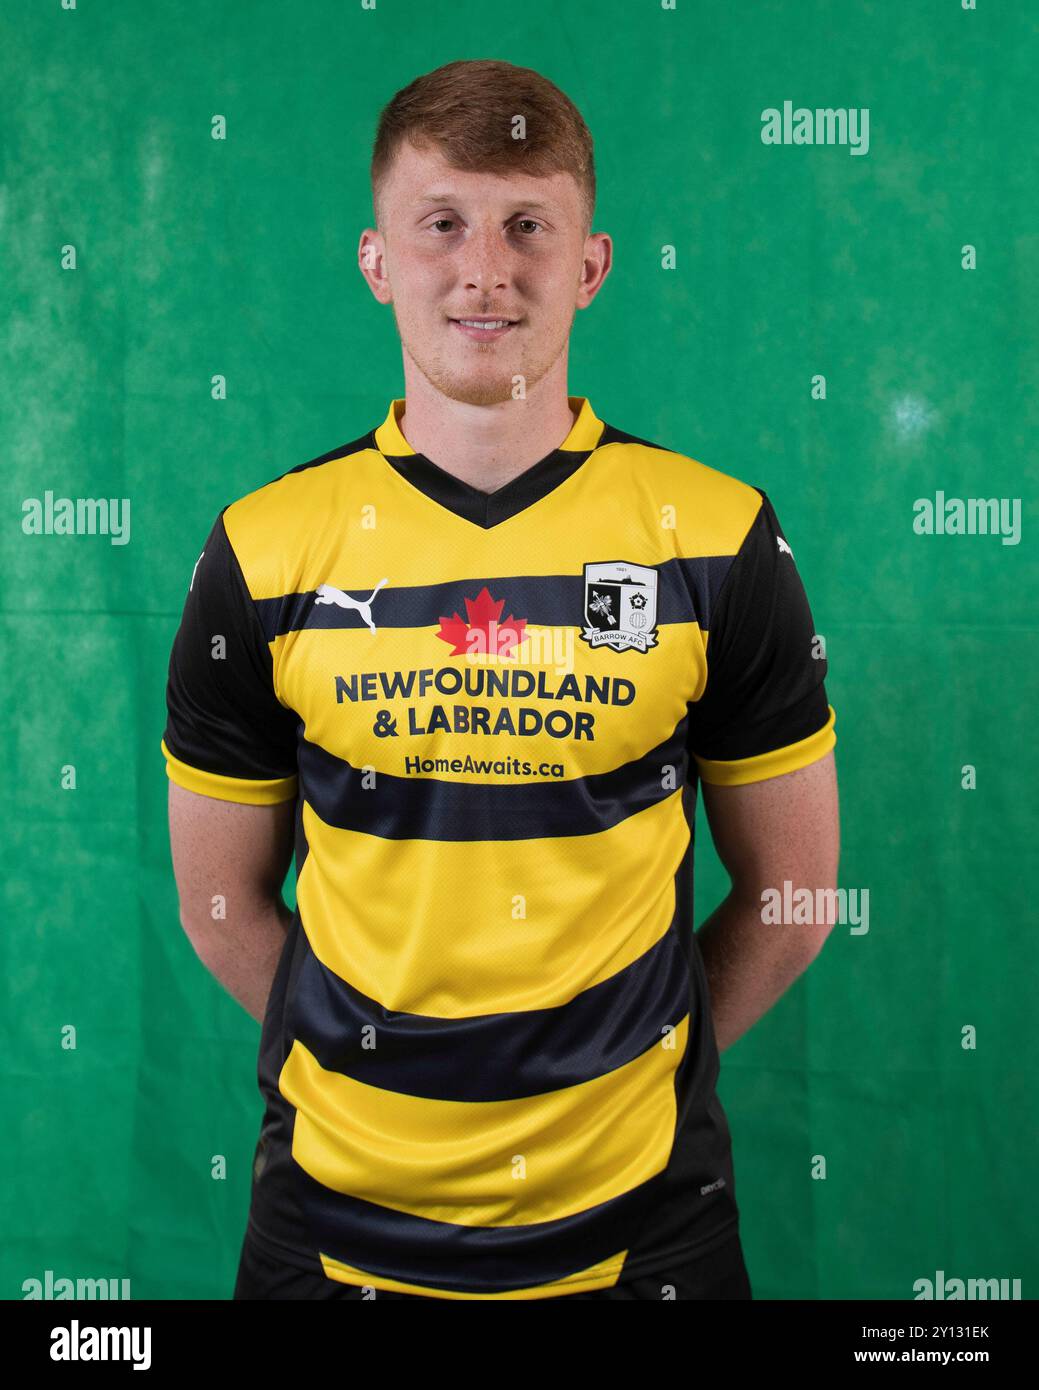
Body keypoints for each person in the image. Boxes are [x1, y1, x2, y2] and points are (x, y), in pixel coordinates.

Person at [161, 58, 839, 1301]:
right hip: (329, 1232)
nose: (484, 269)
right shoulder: (261, 548)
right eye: (442, 225)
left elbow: (797, 891)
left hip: (645, 1236)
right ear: (377, 262)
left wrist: (641, 1059)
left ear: (589, 265)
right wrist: (377, 1066)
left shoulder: (715, 533)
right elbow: (221, 904)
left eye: (529, 224)